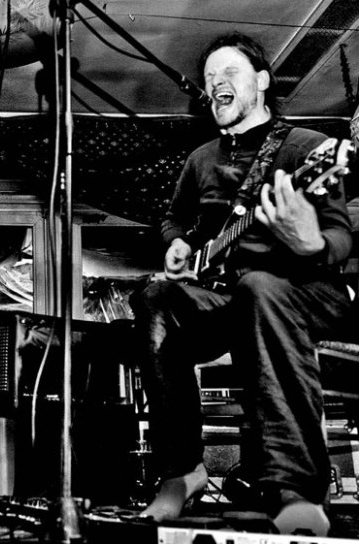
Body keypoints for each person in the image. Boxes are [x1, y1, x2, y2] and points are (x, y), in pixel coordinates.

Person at [129, 32, 354, 536]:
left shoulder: (308, 148)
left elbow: (341, 239)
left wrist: (311, 241)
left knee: (260, 286)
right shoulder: (201, 158)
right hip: (228, 296)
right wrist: (177, 243)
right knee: (155, 297)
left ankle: (297, 490)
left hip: (301, 291)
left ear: (263, 82)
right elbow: (173, 219)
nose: (215, 84)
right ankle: (182, 472)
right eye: (210, 78)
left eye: (229, 72)